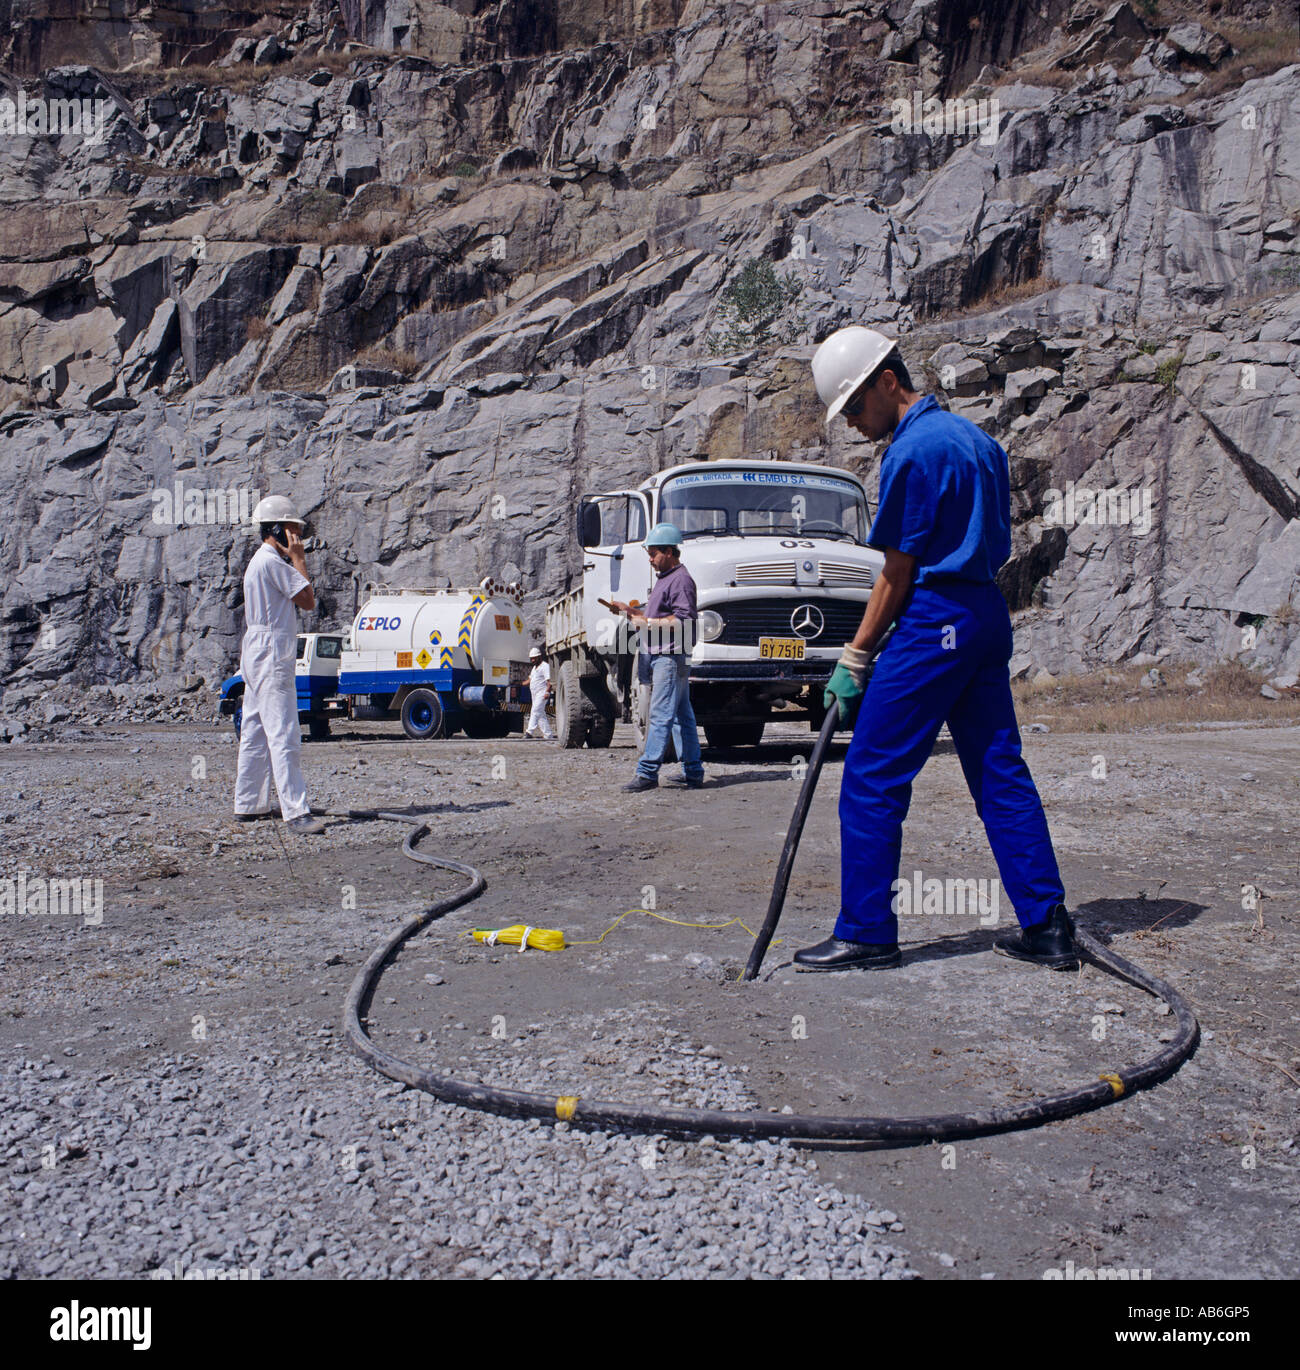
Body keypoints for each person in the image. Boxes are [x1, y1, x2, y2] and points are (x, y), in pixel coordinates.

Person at [795, 325, 1080, 971]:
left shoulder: (911, 452)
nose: (855, 425)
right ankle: (1048, 926)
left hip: (935, 622)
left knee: (871, 776)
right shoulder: (979, 441)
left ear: (887, 382)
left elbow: (898, 573)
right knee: (1000, 772)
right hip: (985, 612)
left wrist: (855, 655)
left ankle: (867, 933)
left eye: (856, 408)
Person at [233, 495, 325, 835]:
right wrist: (298, 559)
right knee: (284, 730)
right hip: (271, 651)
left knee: (255, 729)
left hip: (256, 650)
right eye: (293, 530)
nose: (297, 537)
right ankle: (296, 812)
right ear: (277, 529)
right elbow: (308, 600)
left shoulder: (260, 561)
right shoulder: (273, 563)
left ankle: (248, 803)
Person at [610, 523, 705, 792]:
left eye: (653, 554)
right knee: (682, 715)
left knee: (661, 714)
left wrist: (646, 621)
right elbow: (660, 614)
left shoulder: (681, 580)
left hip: (671, 656)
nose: (650, 559)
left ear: (669, 552)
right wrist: (631, 610)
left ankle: (648, 772)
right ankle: (694, 771)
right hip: (669, 656)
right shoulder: (667, 578)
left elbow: (683, 619)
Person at [524, 647, 555, 739]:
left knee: (535, 710)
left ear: (539, 657)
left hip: (542, 693)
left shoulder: (545, 666)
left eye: (534, 658)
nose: (532, 660)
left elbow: (549, 681)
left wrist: (547, 692)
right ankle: (548, 735)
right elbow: (530, 680)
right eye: (531, 658)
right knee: (540, 714)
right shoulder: (534, 668)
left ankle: (529, 732)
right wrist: (519, 683)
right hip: (535, 694)